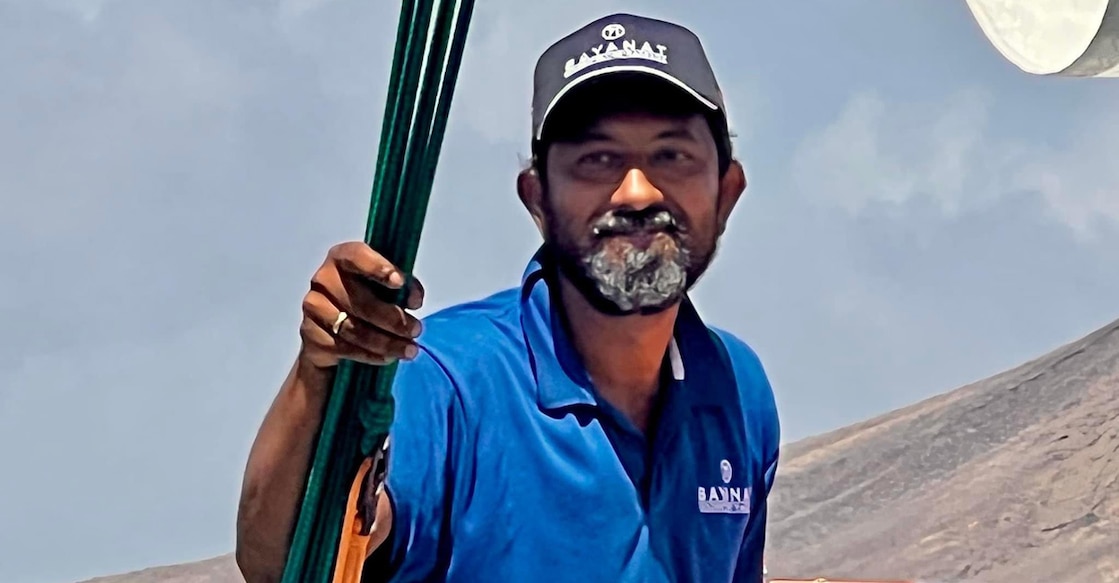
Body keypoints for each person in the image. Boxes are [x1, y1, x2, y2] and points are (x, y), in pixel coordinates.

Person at [236, 12, 780, 583]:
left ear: (728, 192)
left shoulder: (738, 390)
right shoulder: (442, 376)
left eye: (672, 156)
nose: (637, 191)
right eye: (597, 159)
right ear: (537, 199)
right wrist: (319, 369)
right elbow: (284, 566)